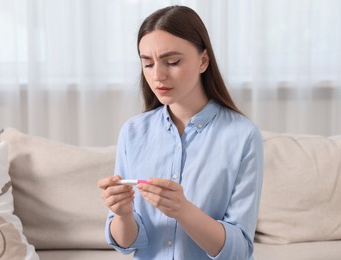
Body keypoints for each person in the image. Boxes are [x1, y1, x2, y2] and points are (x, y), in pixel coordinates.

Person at [98, 5, 264, 260]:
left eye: (172, 62)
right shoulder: (133, 132)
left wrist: (183, 210)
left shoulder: (242, 135)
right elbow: (127, 244)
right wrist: (122, 214)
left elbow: (239, 250)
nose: (158, 75)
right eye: (148, 64)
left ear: (203, 61)